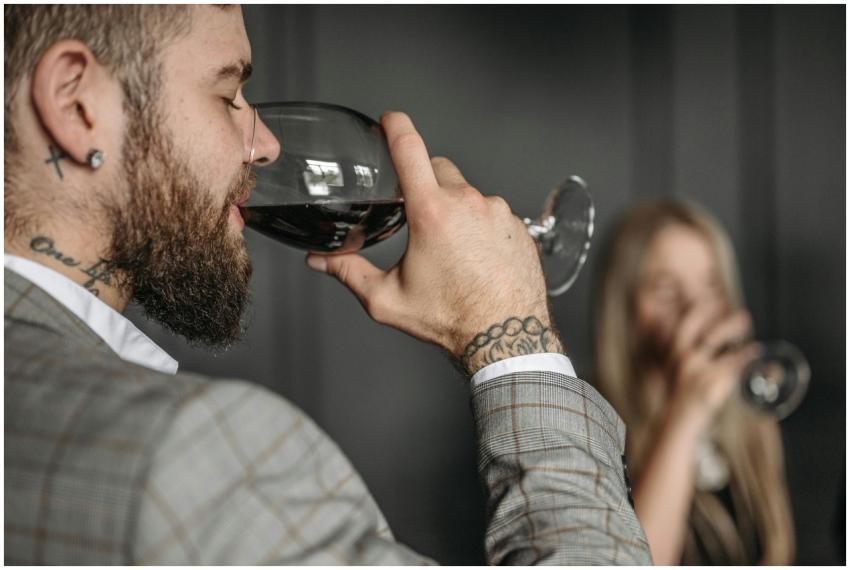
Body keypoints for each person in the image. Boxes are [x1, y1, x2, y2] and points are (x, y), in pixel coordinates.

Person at [4, 5, 650, 565]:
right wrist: (510, 336)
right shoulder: (190, 454)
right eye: (227, 95)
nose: (264, 145)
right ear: (76, 103)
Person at [592, 199, 795, 565]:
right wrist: (688, 409)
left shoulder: (752, 418)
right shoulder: (588, 429)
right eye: (667, 291)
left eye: (711, 285)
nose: (696, 309)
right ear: (624, 313)